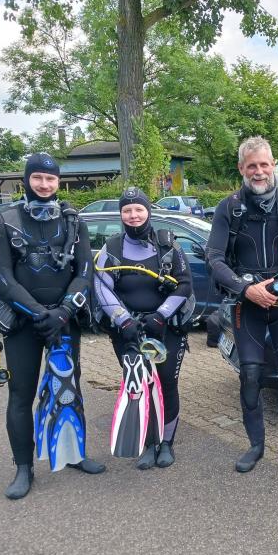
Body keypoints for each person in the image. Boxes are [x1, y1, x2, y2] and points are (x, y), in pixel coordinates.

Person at [0, 153, 105, 500]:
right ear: (26, 179)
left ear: (58, 182)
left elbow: (85, 272)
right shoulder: (4, 221)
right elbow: (1, 277)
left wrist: (64, 312)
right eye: (37, 178)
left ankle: (73, 453)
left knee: (70, 387)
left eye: (50, 179)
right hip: (24, 323)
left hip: (64, 321)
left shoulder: (73, 220)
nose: (44, 185)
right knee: (21, 394)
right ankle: (24, 467)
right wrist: (40, 313)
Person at [206, 136, 278, 476]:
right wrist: (246, 290)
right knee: (251, 376)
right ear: (241, 168)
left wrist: (277, 286)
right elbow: (213, 258)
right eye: (251, 165)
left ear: (273, 165)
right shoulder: (229, 208)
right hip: (248, 303)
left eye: (264, 165)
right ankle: (255, 445)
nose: (258, 172)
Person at [94, 186, 194, 469]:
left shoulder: (166, 245)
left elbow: (185, 283)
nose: (133, 215)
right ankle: (149, 443)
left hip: (165, 329)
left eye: (139, 209)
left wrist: (161, 315)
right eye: (127, 210)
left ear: (148, 211)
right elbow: (101, 285)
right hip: (128, 330)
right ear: (121, 215)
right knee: (139, 385)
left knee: (166, 383)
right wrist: (122, 319)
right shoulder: (111, 248)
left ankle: (166, 444)